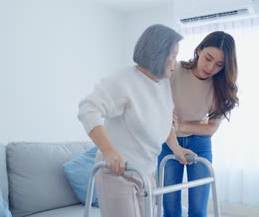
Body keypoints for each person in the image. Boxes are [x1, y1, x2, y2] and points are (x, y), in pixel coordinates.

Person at [78, 24, 196, 217]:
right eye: (173, 55)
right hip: (118, 173)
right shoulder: (123, 80)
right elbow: (87, 109)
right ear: (158, 53)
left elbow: (165, 121)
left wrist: (177, 148)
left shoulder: (163, 84)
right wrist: (109, 152)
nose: (176, 62)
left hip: (146, 173)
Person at [158, 31, 239, 217]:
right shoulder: (174, 71)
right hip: (169, 143)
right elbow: (160, 111)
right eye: (208, 58)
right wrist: (173, 130)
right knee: (169, 208)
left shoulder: (221, 88)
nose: (211, 67)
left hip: (200, 145)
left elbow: (211, 129)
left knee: (198, 210)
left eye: (219, 65)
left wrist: (180, 125)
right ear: (199, 50)